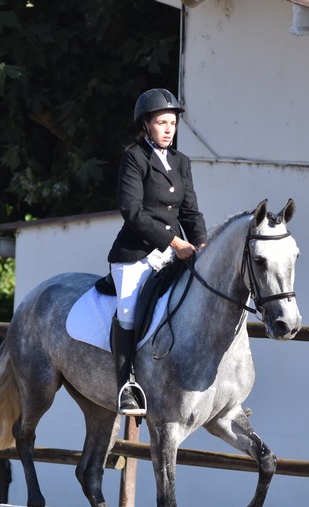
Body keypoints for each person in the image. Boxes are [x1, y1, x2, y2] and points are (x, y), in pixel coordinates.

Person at [107, 88, 207, 416]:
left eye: (172, 123)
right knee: (128, 312)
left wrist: (201, 244)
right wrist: (176, 243)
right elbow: (132, 211)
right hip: (135, 253)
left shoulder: (181, 162)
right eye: (161, 122)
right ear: (146, 125)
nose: (168, 129)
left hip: (171, 254)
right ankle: (127, 385)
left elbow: (190, 212)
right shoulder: (135, 157)